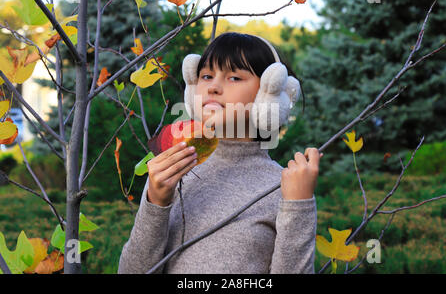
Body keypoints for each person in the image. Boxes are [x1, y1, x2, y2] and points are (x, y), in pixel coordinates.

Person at [118, 32, 323, 274]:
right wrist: (156, 201)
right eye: (206, 76)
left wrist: (298, 206)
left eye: (234, 77)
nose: (213, 87)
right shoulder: (173, 171)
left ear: (269, 96)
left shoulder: (285, 189)